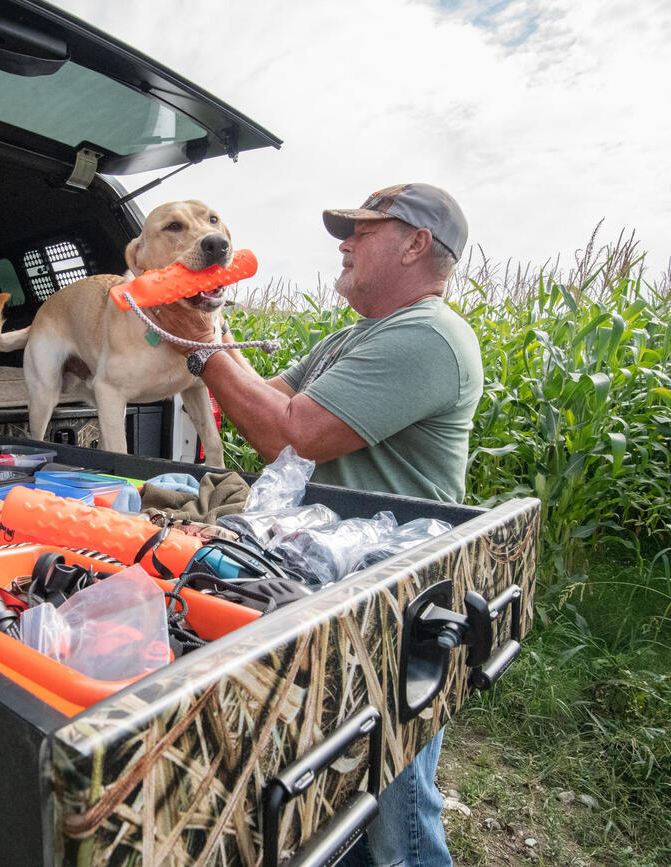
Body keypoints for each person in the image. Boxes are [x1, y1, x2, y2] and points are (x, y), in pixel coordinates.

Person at [151, 182, 482, 866]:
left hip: (397, 597)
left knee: (399, 806)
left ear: (417, 243)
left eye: (362, 231)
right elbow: (267, 399)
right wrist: (206, 326)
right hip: (338, 577)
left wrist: (200, 349)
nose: (344, 242)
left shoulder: (428, 336)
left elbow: (290, 435)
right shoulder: (355, 336)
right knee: (338, 780)